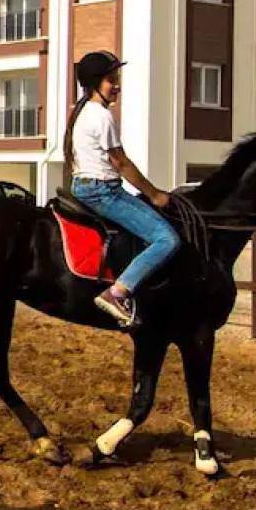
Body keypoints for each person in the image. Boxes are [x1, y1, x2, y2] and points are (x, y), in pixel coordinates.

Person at [63, 50, 180, 327]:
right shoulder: (101, 116)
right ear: (94, 83)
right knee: (167, 239)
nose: (116, 85)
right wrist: (155, 194)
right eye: (110, 80)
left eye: (115, 79)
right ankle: (118, 292)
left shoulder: (83, 113)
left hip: (85, 186)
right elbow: (122, 163)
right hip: (103, 191)